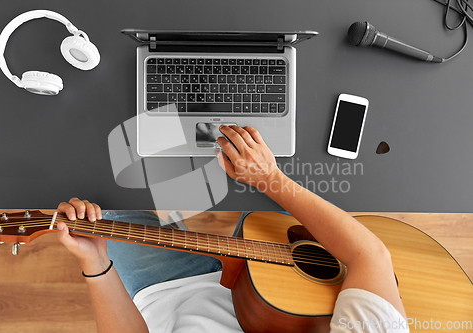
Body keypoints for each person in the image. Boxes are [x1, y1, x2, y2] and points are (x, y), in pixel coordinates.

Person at [56, 125, 409, 333]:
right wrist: (269, 178)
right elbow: (371, 256)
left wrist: (96, 264)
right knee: (280, 150)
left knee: (94, 177)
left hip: (167, 295)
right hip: (275, 285)